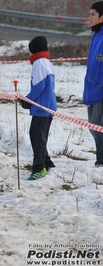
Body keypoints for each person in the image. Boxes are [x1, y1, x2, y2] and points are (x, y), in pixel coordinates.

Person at [20, 36, 57, 180]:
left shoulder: (39, 64)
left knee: (37, 137)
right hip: (47, 106)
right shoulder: (46, 62)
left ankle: (39, 168)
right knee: (37, 136)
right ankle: (47, 162)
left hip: (42, 107)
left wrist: (27, 101)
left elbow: (38, 87)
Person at [84, 1, 103, 168]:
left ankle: (101, 161)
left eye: (92, 15)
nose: (89, 18)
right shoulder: (96, 35)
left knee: (98, 128)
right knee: (93, 127)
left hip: (101, 90)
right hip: (92, 89)